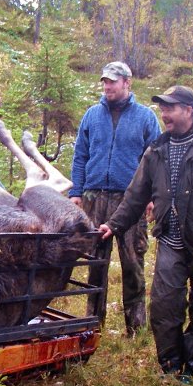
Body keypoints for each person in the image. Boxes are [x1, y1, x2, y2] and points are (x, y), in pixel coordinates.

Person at [96, 86, 193, 380]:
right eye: (162, 109)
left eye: (170, 108)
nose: (164, 115)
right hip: (171, 242)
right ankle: (171, 366)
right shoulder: (157, 150)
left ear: (189, 110)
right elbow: (136, 194)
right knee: (164, 307)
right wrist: (114, 225)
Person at [70, 61, 161, 336]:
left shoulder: (146, 118)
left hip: (130, 200)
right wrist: (76, 193)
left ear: (127, 83)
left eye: (112, 81)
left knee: (133, 263)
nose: (107, 86)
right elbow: (80, 156)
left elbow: (156, 159)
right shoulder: (91, 116)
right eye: (104, 82)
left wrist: (152, 196)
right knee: (96, 263)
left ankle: (135, 327)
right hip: (94, 197)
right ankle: (92, 325)